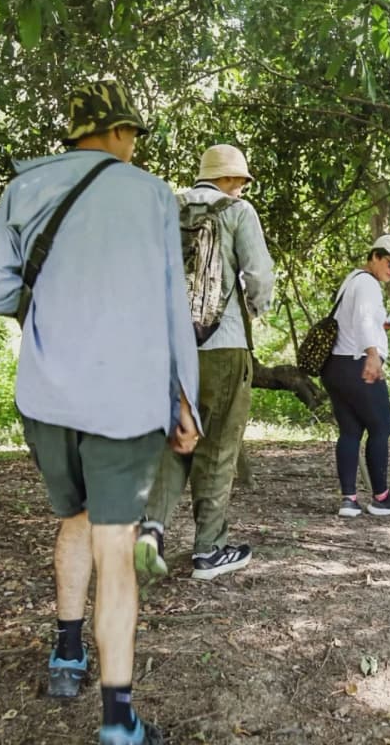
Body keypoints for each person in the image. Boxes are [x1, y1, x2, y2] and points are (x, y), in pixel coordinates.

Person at [0, 80, 198, 745]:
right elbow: (171, 306)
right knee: (115, 547)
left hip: (47, 394)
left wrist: (51, 312)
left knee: (73, 518)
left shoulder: (24, 187)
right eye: (133, 135)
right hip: (125, 399)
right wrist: (185, 401)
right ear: (120, 133)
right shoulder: (153, 193)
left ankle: (67, 652)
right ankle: (117, 721)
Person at [135, 145, 275, 581]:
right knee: (216, 448)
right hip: (223, 348)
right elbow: (260, 275)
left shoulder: (164, 207)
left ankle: (151, 529)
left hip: (169, 350)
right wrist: (255, 308)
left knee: (176, 440)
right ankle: (209, 550)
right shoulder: (237, 211)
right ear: (233, 180)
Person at [321, 234, 390, 518]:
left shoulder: (353, 280)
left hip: (336, 366)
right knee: (381, 426)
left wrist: (386, 322)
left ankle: (349, 500)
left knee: (350, 431)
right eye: (389, 262)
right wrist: (373, 355)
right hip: (357, 363)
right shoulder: (367, 284)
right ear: (374, 256)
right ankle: (381, 497)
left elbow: (359, 322)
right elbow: (363, 321)